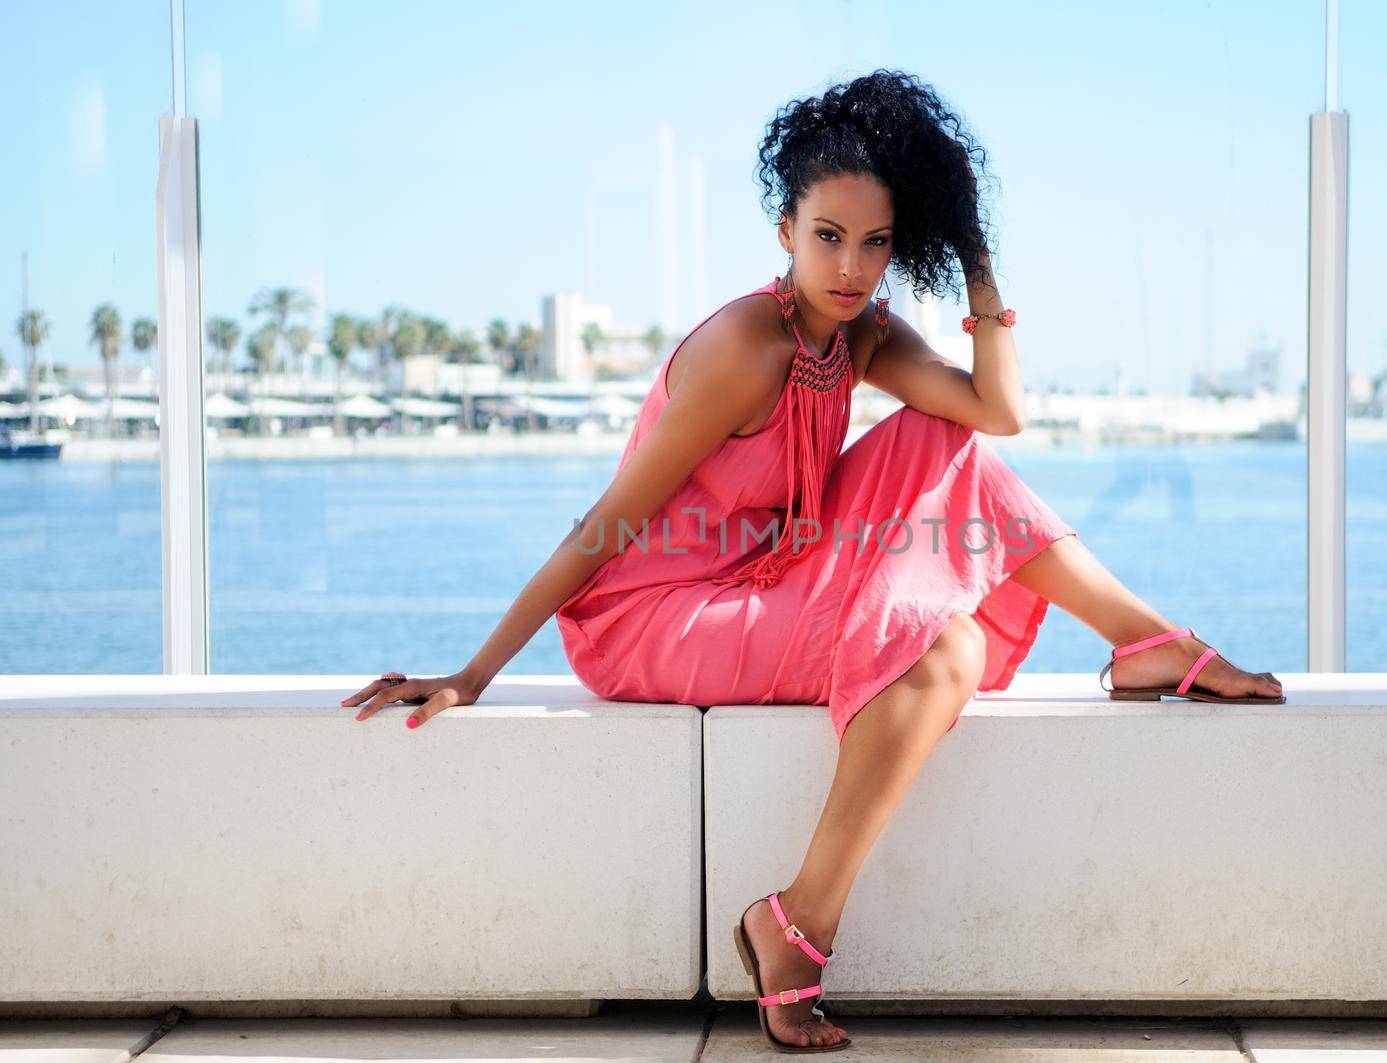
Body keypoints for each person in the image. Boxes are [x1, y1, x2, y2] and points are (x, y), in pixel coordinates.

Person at [341, 69, 1284, 1053]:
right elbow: (607, 521)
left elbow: (997, 413)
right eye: (827, 236)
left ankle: (805, 911)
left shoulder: (859, 333)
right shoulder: (750, 345)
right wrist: (476, 671)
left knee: (945, 466)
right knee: (942, 650)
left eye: (875, 243)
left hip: (768, 571)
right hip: (659, 610)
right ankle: (803, 924)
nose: (849, 266)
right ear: (784, 231)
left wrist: (976, 266)